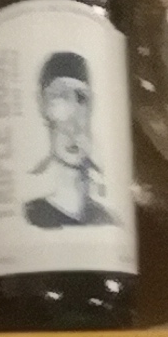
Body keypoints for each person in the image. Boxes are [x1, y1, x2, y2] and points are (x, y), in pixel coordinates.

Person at [24, 51, 114, 229]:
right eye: (60, 96)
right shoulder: (30, 212)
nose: (73, 124)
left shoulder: (105, 219)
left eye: (81, 98)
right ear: (42, 103)